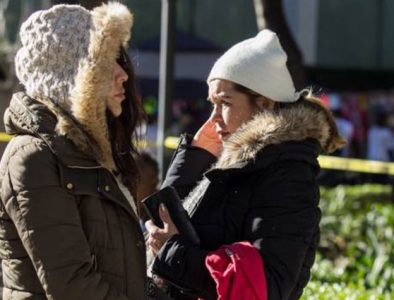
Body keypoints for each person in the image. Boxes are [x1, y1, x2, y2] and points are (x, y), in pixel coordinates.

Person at [145, 30, 344, 299]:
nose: (213, 117)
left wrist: (172, 252)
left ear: (263, 104)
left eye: (224, 102)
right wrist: (194, 157)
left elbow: (268, 286)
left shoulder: (288, 174)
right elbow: (167, 224)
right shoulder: (234, 162)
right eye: (212, 104)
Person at [0, 3, 149, 299]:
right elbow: (72, 284)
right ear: (73, 75)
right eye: (107, 62)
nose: (123, 74)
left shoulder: (94, 152)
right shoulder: (33, 157)